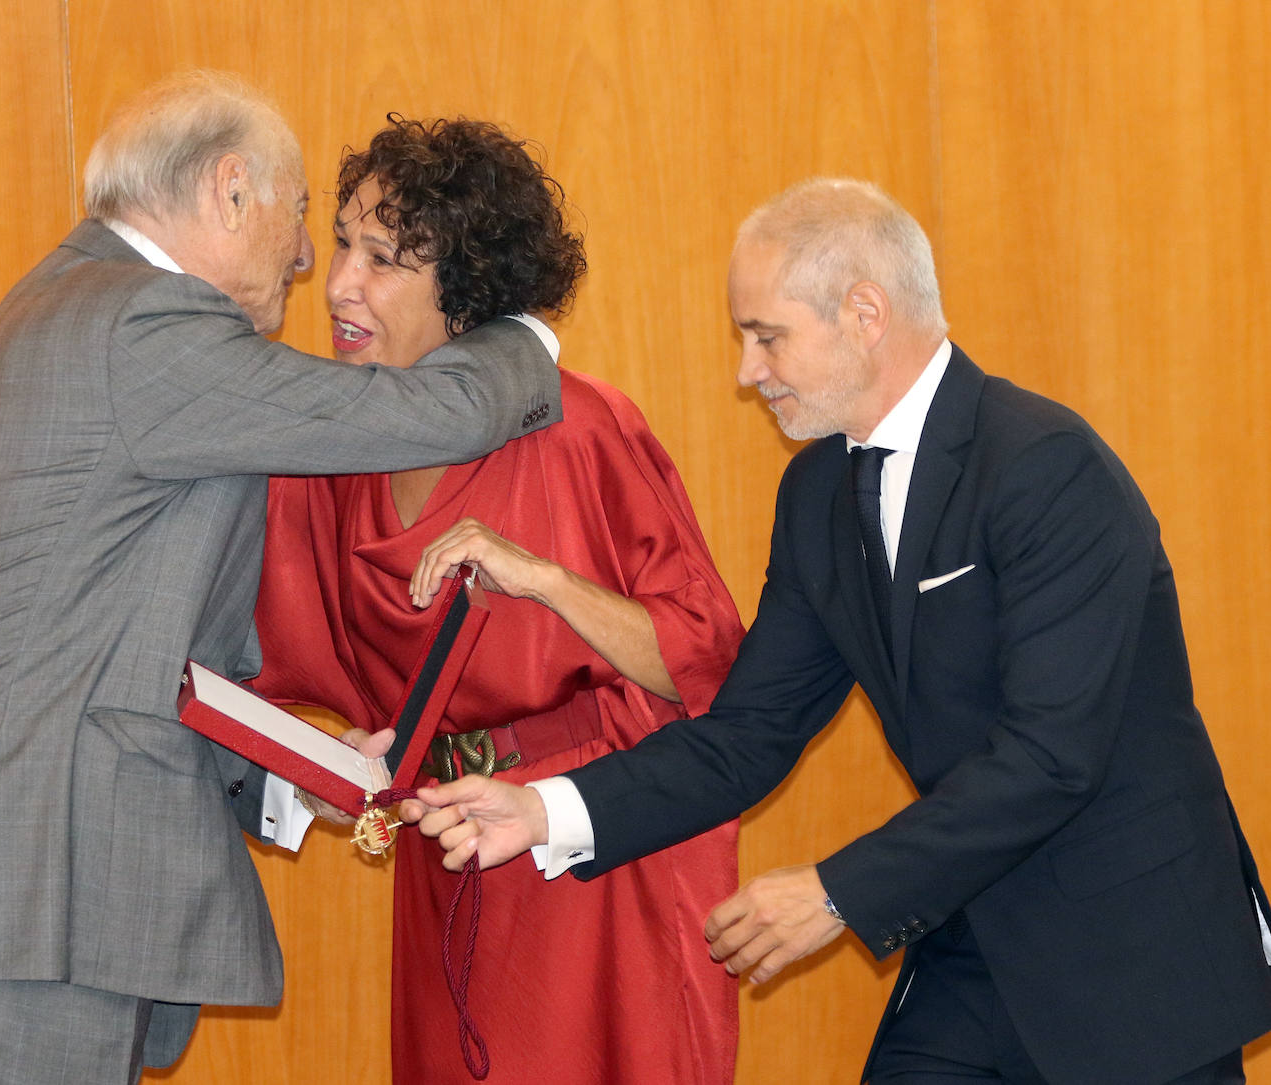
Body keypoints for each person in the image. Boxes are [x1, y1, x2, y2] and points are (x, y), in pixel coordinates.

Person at [409, 177, 1271, 1084]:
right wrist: (542, 808)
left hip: (1134, 958)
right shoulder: (819, 493)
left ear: (866, 312)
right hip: (970, 941)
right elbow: (746, 736)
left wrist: (835, 894)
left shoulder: (1045, 466)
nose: (748, 371)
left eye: (766, 335)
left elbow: (1053, 756)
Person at [0, 72, 562, 1085]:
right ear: (231, 190)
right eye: (302, 217)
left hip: (10, 890)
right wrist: (523, 328)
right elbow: (422, 415)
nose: (305, 258)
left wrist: (299, 775)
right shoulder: (142, 323)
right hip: (27, 894)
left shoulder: (56, 316)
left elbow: (121, 657)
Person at [249, 116, 745, 1084]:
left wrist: (551, 582)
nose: (342, 282)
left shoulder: (578, 428)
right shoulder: (335, 449)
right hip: (446, 842)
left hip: (584, 844)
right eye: (344, 242)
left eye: (383, 257)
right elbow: (244, 626)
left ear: (467, 292)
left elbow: (709, 658)